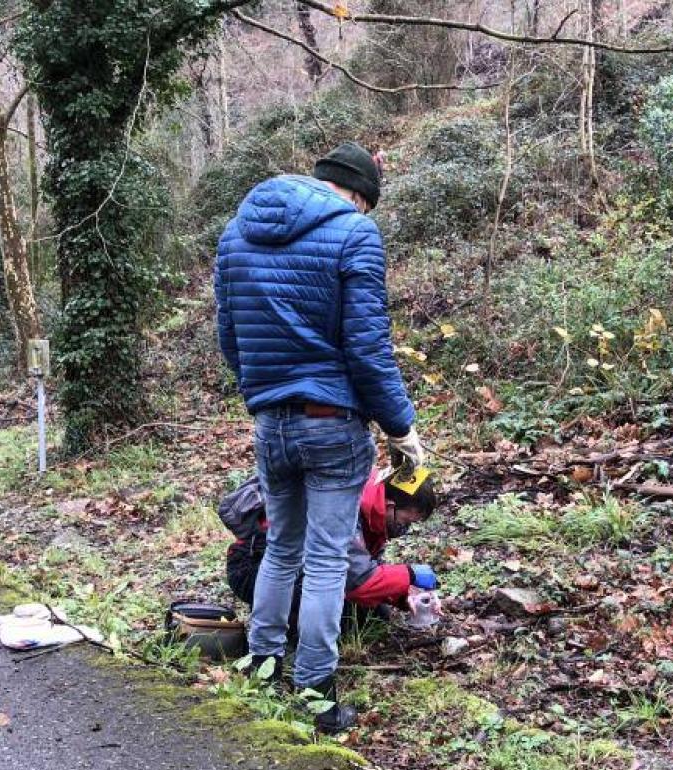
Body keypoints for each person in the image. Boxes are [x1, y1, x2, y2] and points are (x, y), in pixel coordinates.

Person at [214, 142, 425, 733]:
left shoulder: (236, 235)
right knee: (328, 558)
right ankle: (314, 690)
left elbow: (230, 340)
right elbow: (367, 349)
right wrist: (400, 427)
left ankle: (262, 663)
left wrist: (268, 392)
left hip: (270, 422)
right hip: (333, 425)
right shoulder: (354, 234)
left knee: (282, 546)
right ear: (359, 195)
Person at [219, 469, 439, 622]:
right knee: (343, 620)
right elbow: (356, 580)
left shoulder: (369, 508)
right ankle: (281, 628)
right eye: (405, 522)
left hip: (291, 567)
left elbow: (363, 566)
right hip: (253, 567)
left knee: (374, 614)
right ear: (389, 505)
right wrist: (409, 575)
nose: (404, 530)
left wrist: (405, 595)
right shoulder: (346, 507)